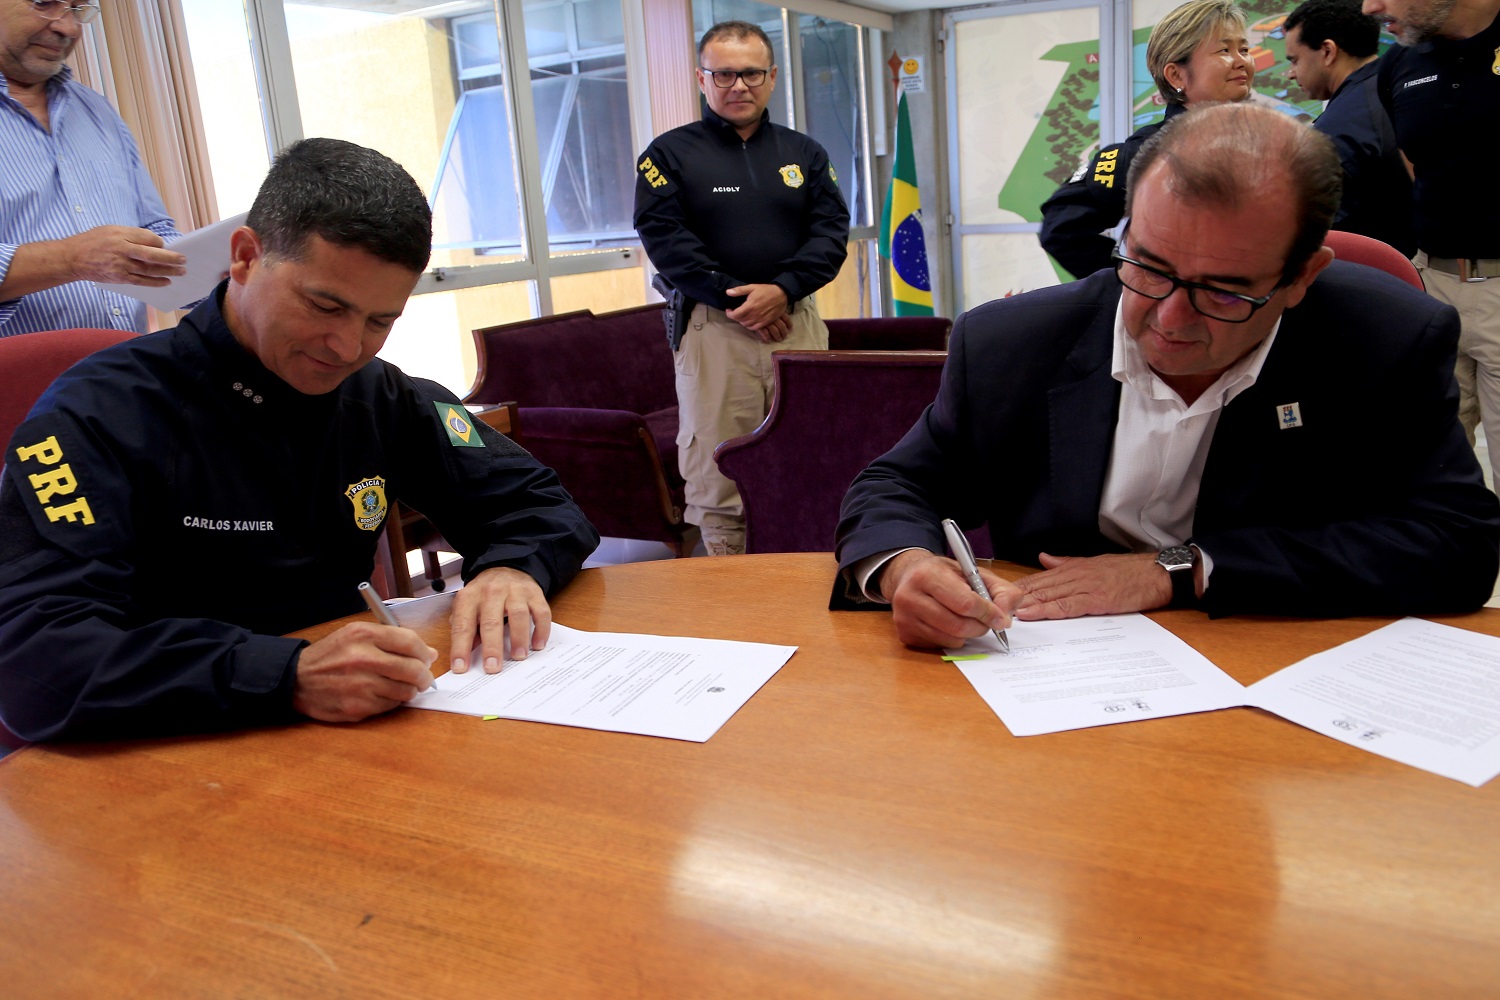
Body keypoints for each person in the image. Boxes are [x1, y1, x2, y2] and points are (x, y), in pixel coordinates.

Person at [836, 102, 1499, 649]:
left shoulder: (1386, 341)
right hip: (1049, 671)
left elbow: (1457, 543)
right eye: (1148, 266)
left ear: (1301, 278)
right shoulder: (1011, 342)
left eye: (1224, 292)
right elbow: (898, 483)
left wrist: (1180, 570)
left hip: (1272, 667)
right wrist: (903, 566)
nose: (1169, 318)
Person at [0, 138, 599, 741]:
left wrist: (512, 570)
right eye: (323, 305)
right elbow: (32, 662)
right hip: (174, 747)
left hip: (359, 729)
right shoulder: (96, 414)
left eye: (378, 321)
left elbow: (538, 504)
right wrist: (284, 675)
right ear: (244, 258)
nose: (346, 347)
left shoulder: (379, 394)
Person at [633, 20, 850, 556]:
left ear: (772, 77)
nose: (739, 86)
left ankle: (810, 572)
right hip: (714, 330)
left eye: (751, 73)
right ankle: (732, 595)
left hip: (795, 321)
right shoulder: (667, 155)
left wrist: (783, 289)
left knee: (810, 454)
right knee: (718, 470)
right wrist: (743, 300)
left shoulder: (806, 153)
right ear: (702, 79)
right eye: (724, 74)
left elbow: (830, 234)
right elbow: (666, 240)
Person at [1365, 0, 1500, 486]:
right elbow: (1416, 162)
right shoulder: (1400, 63)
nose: (1369, 7)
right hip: (1432, 290)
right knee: (1426, 479)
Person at [0, 0, 187, 338]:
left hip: (123, 372)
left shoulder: (95, 108)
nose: (69, 28)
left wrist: (223, 274)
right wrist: (71, 259)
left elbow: (153, 228)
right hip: (18, 387)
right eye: (45, 3)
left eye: (77, 9)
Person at [1039, 0, 1255, 280]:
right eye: (1225, 50)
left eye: (1245, 49)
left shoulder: (1262, 141)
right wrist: (1141, 282)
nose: (1241, 60)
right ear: (1176, 74)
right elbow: (1062, 228)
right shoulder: (1149, 151)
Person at [1283, 0, 1415, 256]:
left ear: (1327, 51)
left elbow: (1317, 234)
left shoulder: (1334, 131)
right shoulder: (1403, 84)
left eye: (1295, 60)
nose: (1290, 73)